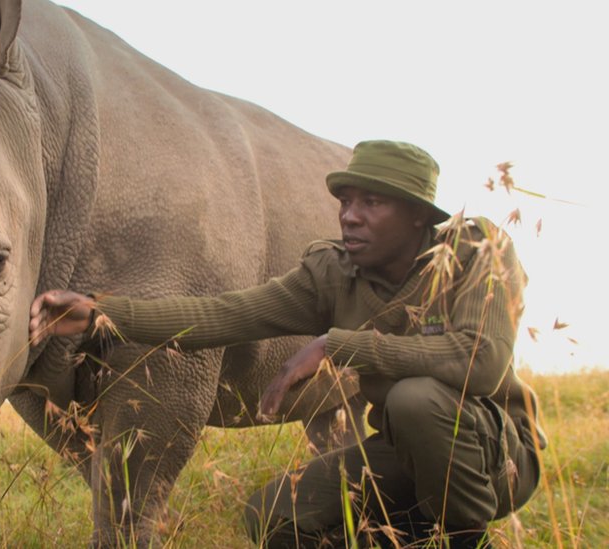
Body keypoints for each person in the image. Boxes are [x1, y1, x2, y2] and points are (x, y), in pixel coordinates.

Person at [29, 140, 544, 548]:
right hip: (402, 453)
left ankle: (464, 541)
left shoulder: (476, 249)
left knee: (414, 401)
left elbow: (484, 363)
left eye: (372, 201)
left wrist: (338, 346)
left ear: (417, 215)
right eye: (345, 201)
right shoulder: (333, 272)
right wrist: (101, 312)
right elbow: (221, 314)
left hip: (493, 457)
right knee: (272, 519)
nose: (349, 215)